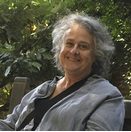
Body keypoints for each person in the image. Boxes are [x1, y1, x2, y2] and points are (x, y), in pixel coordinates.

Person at [0, 13, 125, 131]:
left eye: (83, 46)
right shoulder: (43, 89)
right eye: (69, 44)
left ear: (96, 54)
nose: (74, 51)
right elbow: (9, 125)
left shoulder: (107, 96)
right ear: (60, 49)